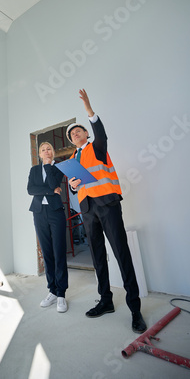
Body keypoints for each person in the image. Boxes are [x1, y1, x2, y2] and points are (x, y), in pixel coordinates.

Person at [67, 89, 147, 333]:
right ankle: (106, 301)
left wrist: (90, 111)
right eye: (72, 134)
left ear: (86, 134)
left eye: (78, 130)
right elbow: (75, 185)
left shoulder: (97, 147)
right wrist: (71, 185)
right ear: (71, 141)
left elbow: (100, 132)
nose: (75, 134)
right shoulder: (73, 158)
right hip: (88, 210)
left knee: (121, 253)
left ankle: (135, 309)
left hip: (108, 205)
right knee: (98, 257)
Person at [27, 142, 68, 313]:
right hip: (38, 212)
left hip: (55, 212)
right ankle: (52, 290)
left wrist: (48, 166)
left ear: (53, 152)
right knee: (47, 252)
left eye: (49, 148)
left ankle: (61, 295)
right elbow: (30, 189)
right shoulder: (34, 170)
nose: (46, 151)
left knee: (59, 251)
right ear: (39, 153)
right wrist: (52, 191)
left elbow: (53, 182)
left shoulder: (58, 168)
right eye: (43, 149)